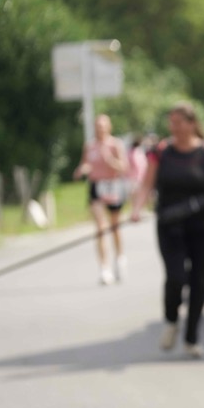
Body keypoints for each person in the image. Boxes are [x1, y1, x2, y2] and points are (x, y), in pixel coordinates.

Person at [131, 102, 204, 359]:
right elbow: (146, 184)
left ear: (192, 124)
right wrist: (136, 209)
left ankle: (192, 338)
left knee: (199, 280)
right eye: (171, 123)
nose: (173, 127)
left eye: (178, 122)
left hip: (203, 226)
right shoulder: (161, 152)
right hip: (170, 226)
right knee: (176, 277)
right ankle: (171, 321)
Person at [73, 114, 129, 285]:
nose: (100, 130)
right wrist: (82, 169)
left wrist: (110, 160)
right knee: (100, 228)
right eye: (98, 126)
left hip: (112, 186)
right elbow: (86, 163)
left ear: (109, 127)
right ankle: (104, 268)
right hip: (96, 187)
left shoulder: (115, 144)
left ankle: (119, 258)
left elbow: (124, 167)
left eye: (103, 126)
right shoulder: (90, 146)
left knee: (114, 226)